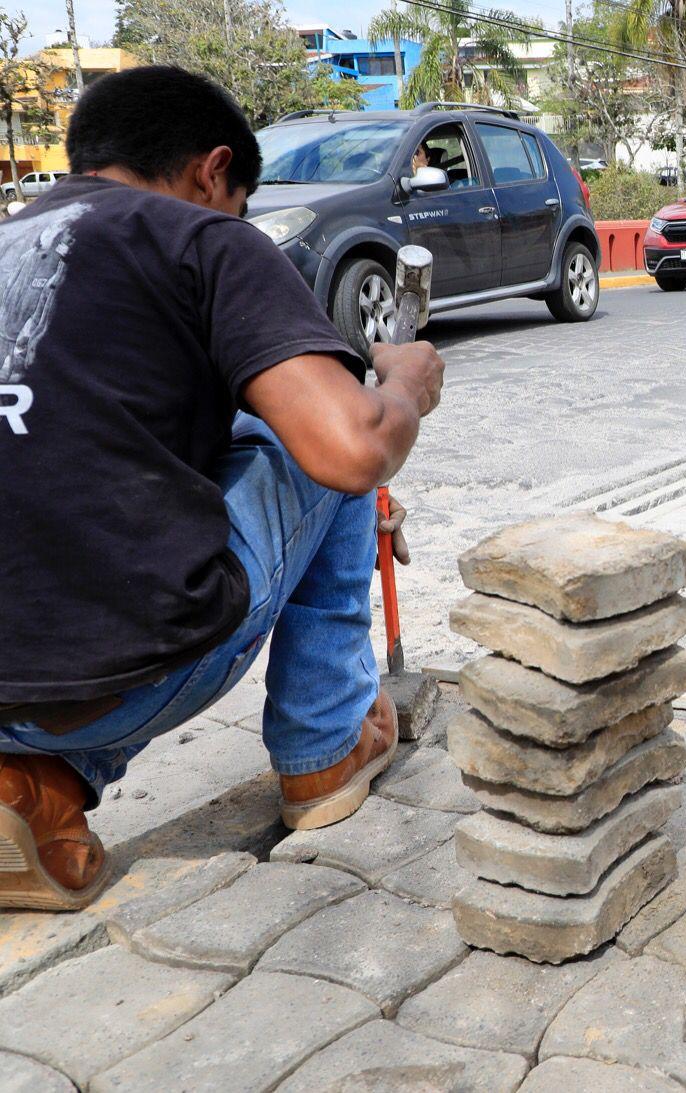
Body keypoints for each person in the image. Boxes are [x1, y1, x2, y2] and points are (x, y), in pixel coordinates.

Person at [0, 66, 446, 911]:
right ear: (213, 172)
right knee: (316, 431)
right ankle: (327, 743)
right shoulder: (202, 238)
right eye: (238, 199)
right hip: (127, 678)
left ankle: (34, 784)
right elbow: (351, 447)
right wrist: (402, 384)